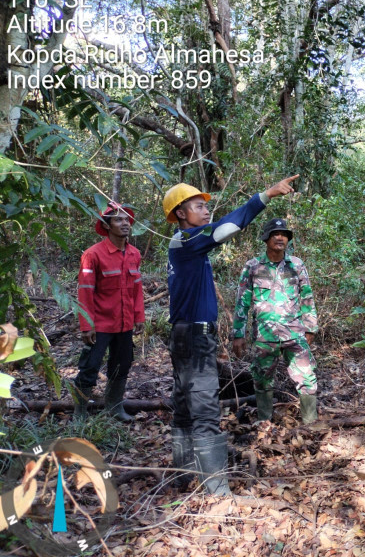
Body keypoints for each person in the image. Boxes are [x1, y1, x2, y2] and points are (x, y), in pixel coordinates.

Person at [163, 175, 298, 496]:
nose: (205, 211)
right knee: (206, 407)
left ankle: (182, 475)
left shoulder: (185, 245)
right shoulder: (186, 241)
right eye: (198, 206)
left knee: (183, 405)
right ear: (181, 213)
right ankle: (217, 490)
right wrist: (265, 195)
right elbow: (227, 227)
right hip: (194, 337)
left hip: (184, 333)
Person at [232, 218, 319, 425]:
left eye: (284, 234)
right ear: (266, 238)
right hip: (265, 336)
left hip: (294, 334)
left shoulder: (296, 265)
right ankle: (264, 423)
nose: (280, 238)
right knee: (262, 380)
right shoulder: (253, 266)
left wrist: (311, 326)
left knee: (307, 379)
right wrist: (238, 334)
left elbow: (307, 296)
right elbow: (242, 301)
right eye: (275, 234)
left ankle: (310, 424)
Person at [75, 203, 144, 422]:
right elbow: (85, 292)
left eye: (127, 219)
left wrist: (139, 316)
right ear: (107, 225)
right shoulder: (92, 254)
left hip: (124, 324)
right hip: (101, 324)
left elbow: (137, 289)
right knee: (89, 367)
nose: (125, 223)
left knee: (122, 365)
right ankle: (80, 413)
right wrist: (87, 325)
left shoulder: (134, 253)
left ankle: (114, 408)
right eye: (118, 219)